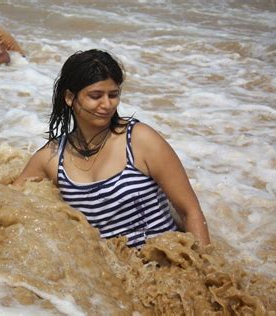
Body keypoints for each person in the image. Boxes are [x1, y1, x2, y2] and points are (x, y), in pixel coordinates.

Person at [14, 49, 210, 248]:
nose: (107, 104)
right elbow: (4, 205)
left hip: (167, 266)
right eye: (96, 96)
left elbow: (189, 211)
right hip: (110, 275)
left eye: (113, 95)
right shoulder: (51, 158)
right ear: (70, 97)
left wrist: (206, 270)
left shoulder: (140, 140)